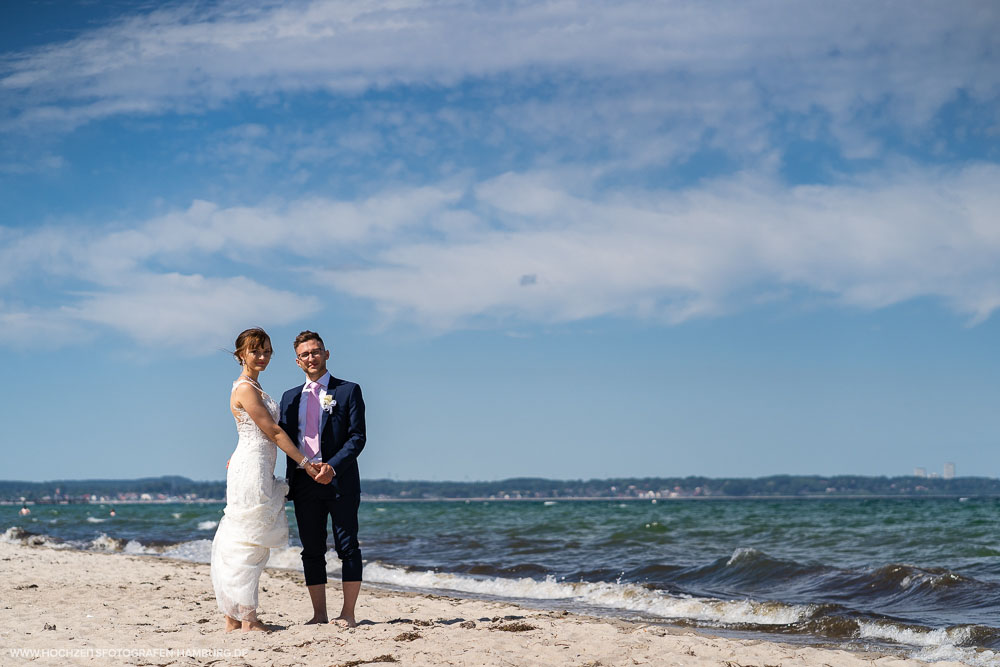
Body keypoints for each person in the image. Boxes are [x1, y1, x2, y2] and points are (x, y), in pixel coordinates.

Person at [211, 327, 331, 633]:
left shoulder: (254, 385)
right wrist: (305, 463)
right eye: (255, 351)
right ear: (241, 354)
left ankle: (234, 617)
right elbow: (273, 432)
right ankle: (247, 619)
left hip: (254, 464)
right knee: (249, 542)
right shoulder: (245, 389)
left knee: (245, 539)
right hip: (251, 468)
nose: (262, 356)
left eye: (266, 351)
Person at [279, 331, 366, 627]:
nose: (311, 357)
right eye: (305, 354)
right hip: (304, 482)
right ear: (297, 361)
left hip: (340, 480)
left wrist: (333, 466)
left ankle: (349, 614)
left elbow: (357, 437)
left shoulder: (348, 390)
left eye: (316, 352)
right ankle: (319, 615)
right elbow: (280, 437)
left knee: (347, 546)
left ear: (327, 354)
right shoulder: (290, 398)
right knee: (312, 550)